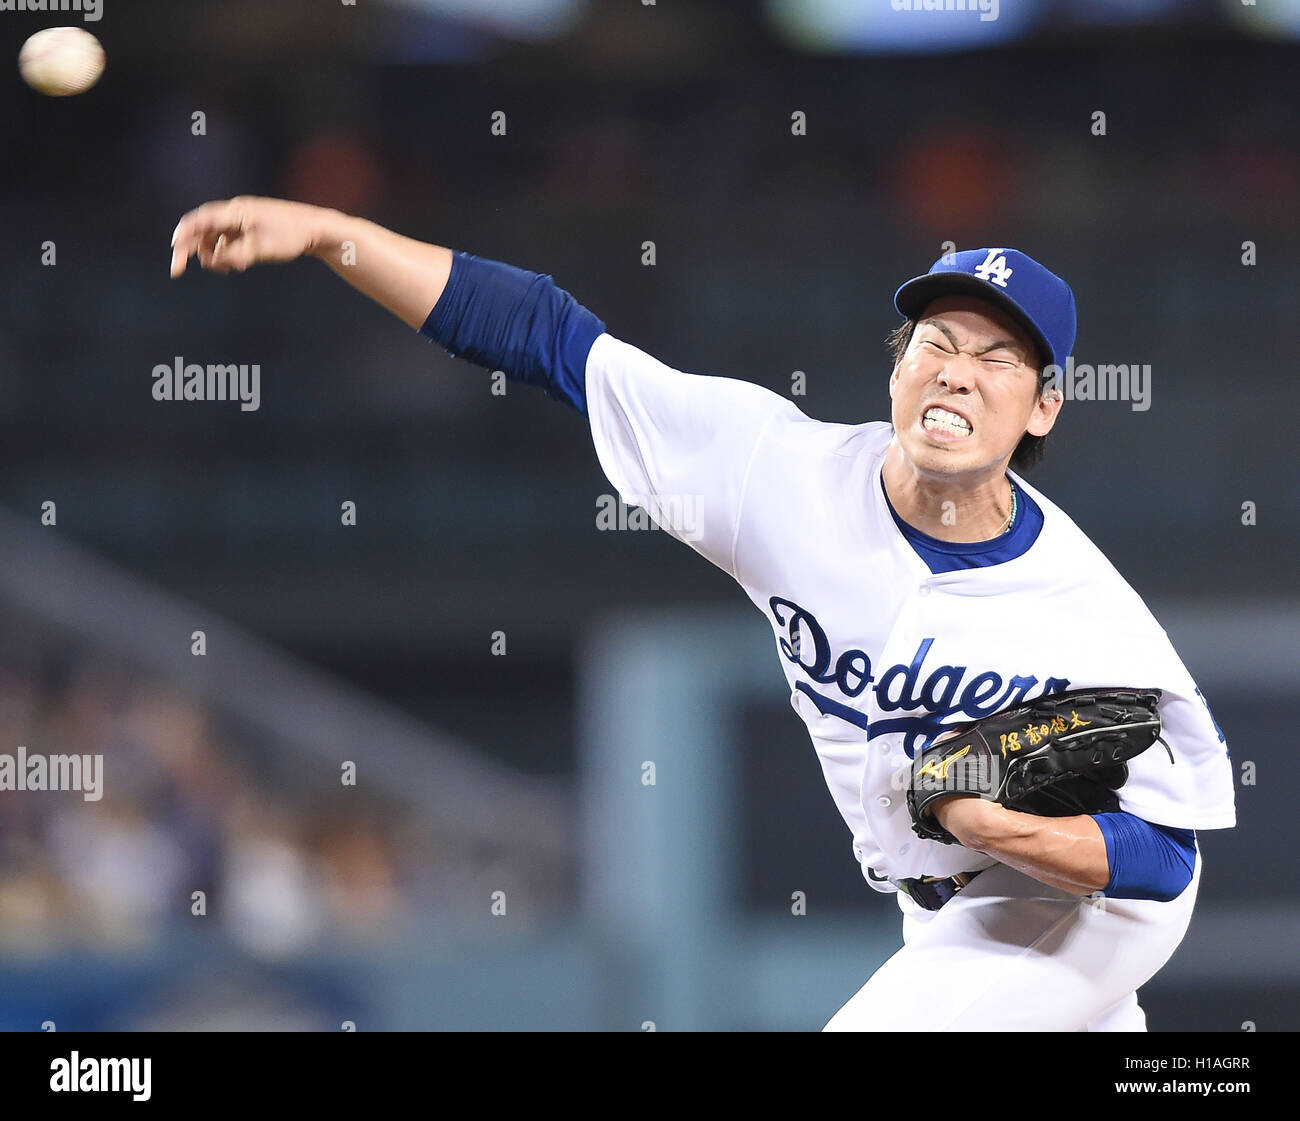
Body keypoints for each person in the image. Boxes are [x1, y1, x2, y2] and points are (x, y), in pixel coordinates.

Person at [170, 200, 1237, 1030]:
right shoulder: (776, 471)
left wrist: (1006, 828)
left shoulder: (1083, 613)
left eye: (999, 355)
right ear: (897, 363)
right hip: (942, 910)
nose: (958, 367)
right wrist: (332, 233)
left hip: (1076, 909)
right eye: (937, 339)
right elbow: (548, 336)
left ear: (1044, 404)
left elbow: (1165, 857)